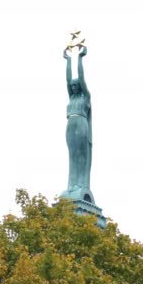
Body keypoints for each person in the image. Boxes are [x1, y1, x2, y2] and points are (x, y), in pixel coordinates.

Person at [61, 46, 94, 203]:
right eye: (72, 86)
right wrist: (68, 61)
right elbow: (68, 80)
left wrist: (79, 58)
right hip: (70, 124)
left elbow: (80, 78)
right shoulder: (72, 98)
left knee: (81, 155)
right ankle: (72, 184)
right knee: (72, 155)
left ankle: (81, 184)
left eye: (76, 85)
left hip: (81, 123)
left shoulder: (85, 97)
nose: (73, 86)